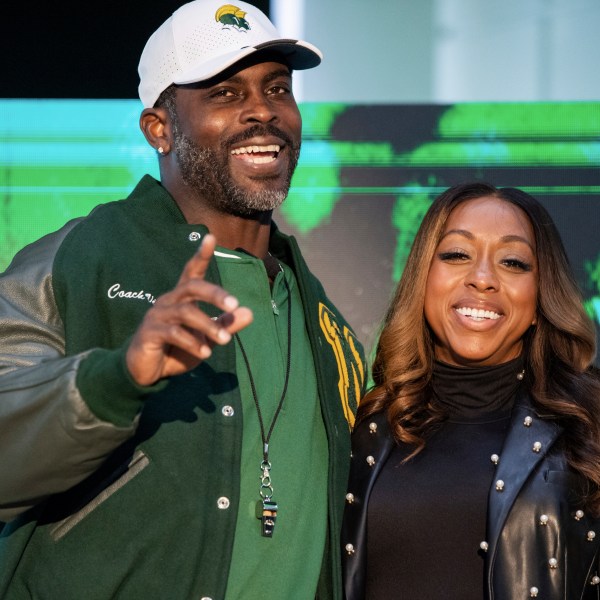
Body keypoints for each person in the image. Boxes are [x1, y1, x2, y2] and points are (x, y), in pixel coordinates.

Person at [0, 2, 366, 598]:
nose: (262, 111)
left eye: (278, 88)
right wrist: (116, 378)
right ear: (159, 129)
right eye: (224, 93)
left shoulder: (319, 313)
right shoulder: (77, 261)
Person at [341, 182, 600, 599]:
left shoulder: (589, 424)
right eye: (457, 255)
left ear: (540, 298)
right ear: (423, 278)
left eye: (513, 262)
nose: (482, 279)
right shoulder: (367, 427)